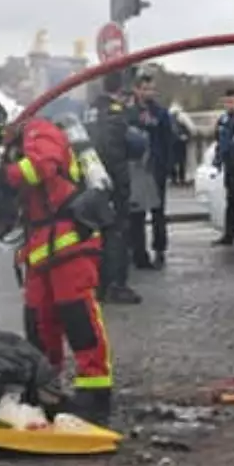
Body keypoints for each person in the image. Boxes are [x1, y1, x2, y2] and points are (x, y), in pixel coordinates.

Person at [0, 86, 114, 425]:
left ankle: (95, 392)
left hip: (71, 239)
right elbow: (15, 208)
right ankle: (47, 387)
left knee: (78, 315)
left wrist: (4, 179)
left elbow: (41, 166)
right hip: (40, 248)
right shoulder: (10, 152)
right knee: (39, 320)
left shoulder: (38, 130)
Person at [86, 71, 144, 305]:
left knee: (95, 233)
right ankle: (116, 285)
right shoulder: (116, 114)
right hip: (112, 181)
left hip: (89, 179)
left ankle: (98, 284)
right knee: (116, 233)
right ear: (120, 89)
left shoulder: (90, 111)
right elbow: (129, 147)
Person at [129, 73, 174, 267]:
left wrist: (167, 166)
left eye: (151, 89)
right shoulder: (129, 113)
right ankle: (138, 250)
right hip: (136, 168)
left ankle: (159, 249)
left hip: (156, 167)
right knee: (136, 213)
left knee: (158, 212)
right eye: (145, 89)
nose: (149, 93)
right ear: (136, 89)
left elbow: (168, 141)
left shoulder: (161, 113)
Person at [211, 88, 234, 249]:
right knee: (231, 200)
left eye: (231, 102)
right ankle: (229, 234)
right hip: (229, 165)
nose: (228, 105)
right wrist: (217, 162)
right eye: (226, 102)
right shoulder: (223, 120)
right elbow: (220, 142)